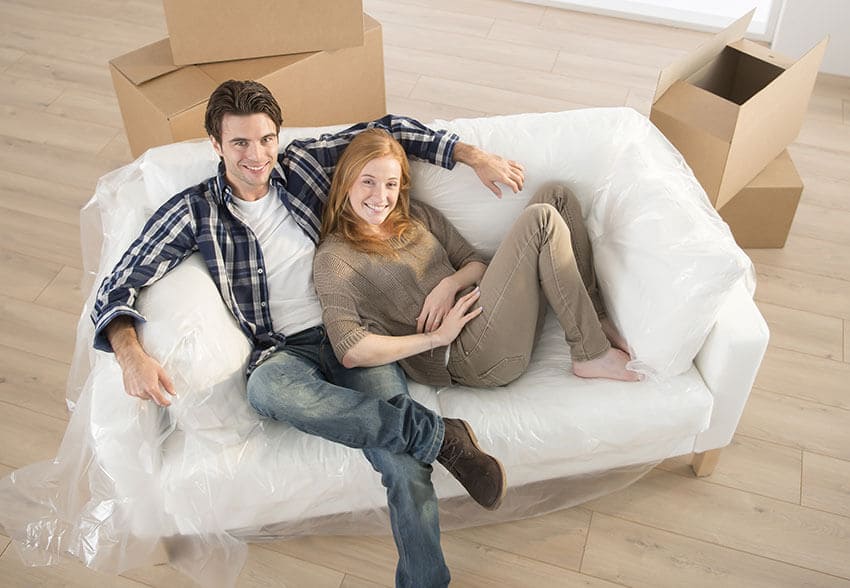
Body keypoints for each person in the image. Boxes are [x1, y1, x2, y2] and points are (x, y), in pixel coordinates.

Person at [92, 79, 526, 588]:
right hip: (283, 351)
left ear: (279, 136)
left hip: (356, 332)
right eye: (240, 143)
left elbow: (384, 133)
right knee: (265, 389)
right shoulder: (195, 212)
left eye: (266, 140)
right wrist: (130, 353)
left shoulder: (303, 164)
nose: (257, 156)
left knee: (403, 467)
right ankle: (439, 435)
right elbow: (119, 282)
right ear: (215, 144)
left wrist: (470, 155)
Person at [314, 129, 640, 391]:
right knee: (541, 219)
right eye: (368, 181)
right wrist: (436, 338)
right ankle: (589, 353)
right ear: (346, 181)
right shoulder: (335, 258)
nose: (380, 197)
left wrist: (449, 283)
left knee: (557, 196)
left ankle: (594, 319)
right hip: (470, 354)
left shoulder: (413, 216)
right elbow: (350, 349)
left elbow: (474, 262)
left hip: (491, 310)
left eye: (390, 184)